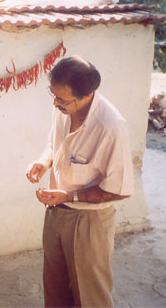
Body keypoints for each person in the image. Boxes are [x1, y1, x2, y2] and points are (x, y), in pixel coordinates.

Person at [26, 56, 134, 307]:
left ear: (88, 95)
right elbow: (54, 145)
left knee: (90, 294)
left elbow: (120, 190)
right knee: (55, 290)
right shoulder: (64, 109)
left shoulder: (110, 127)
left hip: (89, 222)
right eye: (52, 95)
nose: (55, 103)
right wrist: (43, 162)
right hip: (56, 214)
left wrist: (69, 196)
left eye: (62, 100)